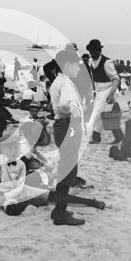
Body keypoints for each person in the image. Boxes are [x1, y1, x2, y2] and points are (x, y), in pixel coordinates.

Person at [48, 49, 87, 226]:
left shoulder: (60, 81)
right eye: (76, 65)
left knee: (67, 168)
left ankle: (60, 209)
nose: (79, 69)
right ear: (67, 65)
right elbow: (64, 106)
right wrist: (73, 117)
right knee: (68, 171)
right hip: (67, 126)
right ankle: (59, 212)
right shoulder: (64, 83)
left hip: (64, 126)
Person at [86, 39, 124, 145]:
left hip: (109, 90)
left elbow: (116, 79)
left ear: (99, 51)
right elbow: (93, 77)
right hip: (99, 91)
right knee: (105, 114)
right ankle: (119, 135)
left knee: (97, 114)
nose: (92, 53)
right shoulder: (90, 61)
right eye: (91, 51)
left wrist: (111, 95)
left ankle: (96, 138)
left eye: (95, 51)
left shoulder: (107, 62)